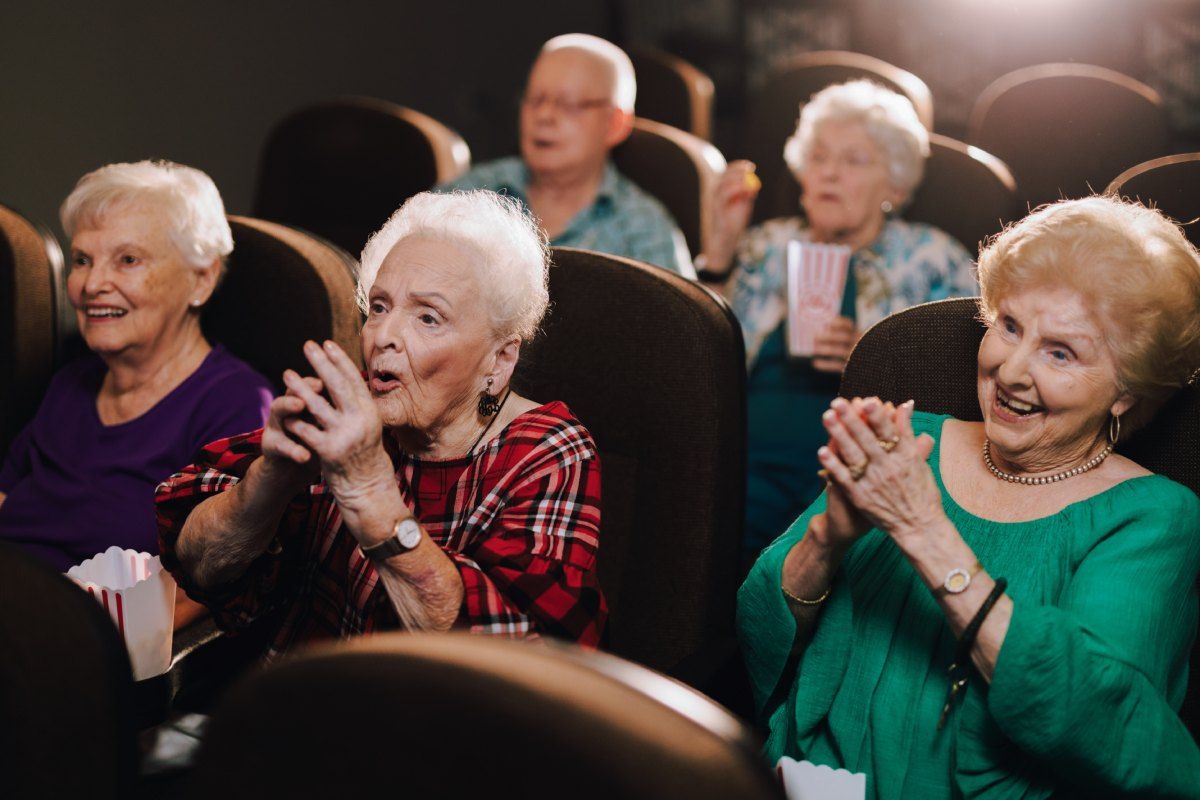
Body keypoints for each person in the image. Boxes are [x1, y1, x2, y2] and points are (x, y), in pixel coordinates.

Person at [738, 196, 1200, 798]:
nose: (1010, 372)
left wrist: (922, 530)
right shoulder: (912, 439)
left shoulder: (1151, 517)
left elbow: (1103, 727)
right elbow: (755, 635)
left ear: (1126, 390)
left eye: (1060, 352)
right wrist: (830, 536)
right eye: (1009, 326)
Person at [156, 190, 606, 659]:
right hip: (296, 708)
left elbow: (528, 657)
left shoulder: (548, 451)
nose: (383, 337)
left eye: (429, 318)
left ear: (500, 358)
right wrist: (269, 481)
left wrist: (370, 494)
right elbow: (198, 563)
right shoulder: (347, 411)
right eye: (379, 307)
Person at [697, 79, 977, 562]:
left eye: (853, 161)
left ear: (894, 183)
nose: (829, 174)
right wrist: (720, 252)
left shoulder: (932, 258)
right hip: (741, 455)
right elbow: (693, 360)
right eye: (820, 158)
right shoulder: (767, 243)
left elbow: (961, 387)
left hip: (856, 467)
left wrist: (869, 364)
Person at [0, 161, 272, 629]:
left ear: (201, 280)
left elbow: (208, 586)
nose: (92, 284)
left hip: (73, 653)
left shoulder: (237, 405)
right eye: (82, 259)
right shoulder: (73, 381)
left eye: (127, 260)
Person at [440, 33, 694, 277]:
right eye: (536, 100)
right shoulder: (470, 194)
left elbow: (682, 320)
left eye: (568, 103)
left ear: (615, 123)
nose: (544, 116)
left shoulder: (643, 228)